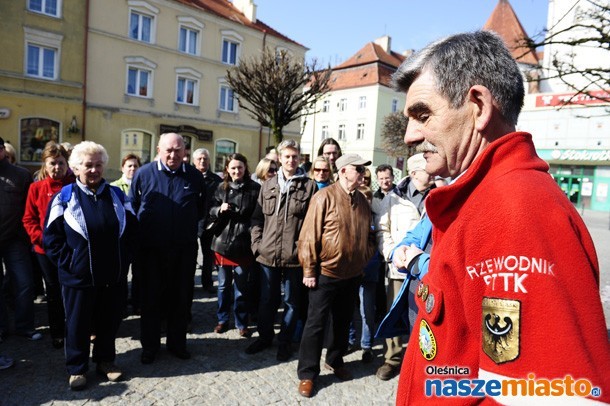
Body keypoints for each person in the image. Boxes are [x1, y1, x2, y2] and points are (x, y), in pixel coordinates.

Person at [393, 30, 610, 404]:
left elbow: (552, 394)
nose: (411, 135)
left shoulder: (515, 209)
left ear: (478, 105)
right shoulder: (485, 199)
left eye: (423, 114)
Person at [43, 141, 136, 390]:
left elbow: (132, 231)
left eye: (98, 165)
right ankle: (77, 367)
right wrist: (71, 262)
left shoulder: (117, 195)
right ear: (75, 168)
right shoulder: (63, 197)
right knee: (77, 323)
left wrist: (123, 259)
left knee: (109, 320)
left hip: (112, 274)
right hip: (78, 277)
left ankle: (106, 361)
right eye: (88, 165)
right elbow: (51, 239)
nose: (93, 170)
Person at [296, 153, 376, 398]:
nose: (363, 174)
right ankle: (308, 373)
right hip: (325, 273)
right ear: (343, 171)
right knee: (315, 324)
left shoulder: (363, 200)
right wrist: (309, 270)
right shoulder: (324, 197)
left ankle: (335, 359)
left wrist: (364, 257)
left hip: (352, 274)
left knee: (342, 321)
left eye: (363, 170)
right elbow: (308, 236)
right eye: (358, 169)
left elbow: (370, 236)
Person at [130, 133, 206, 365]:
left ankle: (177, 344)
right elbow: (133, 205)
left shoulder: (194, 176)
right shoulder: (144, 174)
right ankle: (150, 347)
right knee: (151, 299)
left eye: (178, 150)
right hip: (151, 251)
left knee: (181, 299)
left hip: (183, 250)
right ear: (159, 150)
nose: (173, 155)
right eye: (168, 150)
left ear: (185, 151)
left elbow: (201, 208)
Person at [246, 139, 317, 362]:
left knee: (292, 302)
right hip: (267, 255)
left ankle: (284, 341)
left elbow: (312, 224)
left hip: (295, 257)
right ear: (280, 157)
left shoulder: (309, 186)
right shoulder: (267, 185)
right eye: (287, 156)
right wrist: (257, 245)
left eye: (295, 156)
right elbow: (257, 219)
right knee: (267, 300)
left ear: (300, 159)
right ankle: (264, 337)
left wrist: (304, 251)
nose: (291, 160)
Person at [375, 153, 435, 381]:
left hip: (428, 268)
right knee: (394, 310)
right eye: (427, 170)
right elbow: (383, 230)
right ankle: (392, 359)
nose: (432, 173)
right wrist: (392, 253)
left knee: (423, 313)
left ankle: (419, 357)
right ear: (413, 174)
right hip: (399, 266)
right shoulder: (393, 198)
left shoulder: (439, 194)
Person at [23, 143, 75, 349]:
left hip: (71, 249)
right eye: (52, 163)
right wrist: (43, 240)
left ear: (67, 164)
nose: (57, 168)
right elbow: (29, 219)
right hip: (45, 250)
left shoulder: (74, 185)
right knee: (53, 291)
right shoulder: (36, 188)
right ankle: (58, 332)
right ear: (45, 165)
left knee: (73, 289)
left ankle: (77, 329)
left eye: (61, 163)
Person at [209, 153, 260, 337]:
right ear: (227, 170)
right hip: (222, 242)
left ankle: (241, 321)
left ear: (245, 168)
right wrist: (218, 209)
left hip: (243, 242)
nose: (236, 171)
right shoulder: (221, 188)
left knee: (241, 286)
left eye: (240, 167)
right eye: (233, 168)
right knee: (223, 286)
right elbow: (210, 210)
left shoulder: (255, 188)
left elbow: (258, 216)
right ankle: (222, 319)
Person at [0, 136, 40, 342]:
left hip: (15, 239)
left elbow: (31, 208)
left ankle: (24, 326)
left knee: (24, 283)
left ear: (3, 151)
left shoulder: (21, 175)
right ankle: (2, 328)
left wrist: (26, 236)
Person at [348, 185, 382, 364]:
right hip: (350, 271)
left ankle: (367, 345)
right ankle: (350, 339)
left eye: (367, 198)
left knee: (366, 310)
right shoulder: (350, 215)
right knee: (348, 309)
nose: (364, 201)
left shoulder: (376, 218)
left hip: (369, 271)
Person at [111, 154, 142, 313]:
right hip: (122, 236)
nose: (132, 169)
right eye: (129, 165)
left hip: (139, 235)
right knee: (121, 273)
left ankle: (136, 303)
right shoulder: (114, 187)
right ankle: (120, 305)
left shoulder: (143, 185)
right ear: (122, 167)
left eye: (135, 166)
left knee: (138, 272)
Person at [193, 148, 222, 293]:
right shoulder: (188, 176)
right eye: (199, 159)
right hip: (191, 223)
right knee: (190, 255)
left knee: (208, 255)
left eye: (205, 159)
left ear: (209, 161)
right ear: (194, 161)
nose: (202, 161)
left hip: (209, 223)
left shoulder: (216, 180)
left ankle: (207, 282)